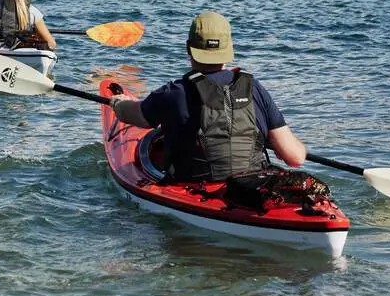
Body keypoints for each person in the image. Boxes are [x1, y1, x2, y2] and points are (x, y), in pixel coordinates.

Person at [109, 11, 306, 182]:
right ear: (229, 50)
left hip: (194, 189)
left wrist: (118, 103)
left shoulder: (175, 92)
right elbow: (296, 157)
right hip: (252, 186)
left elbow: (136, 116)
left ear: (189, 48)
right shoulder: (254, 88)